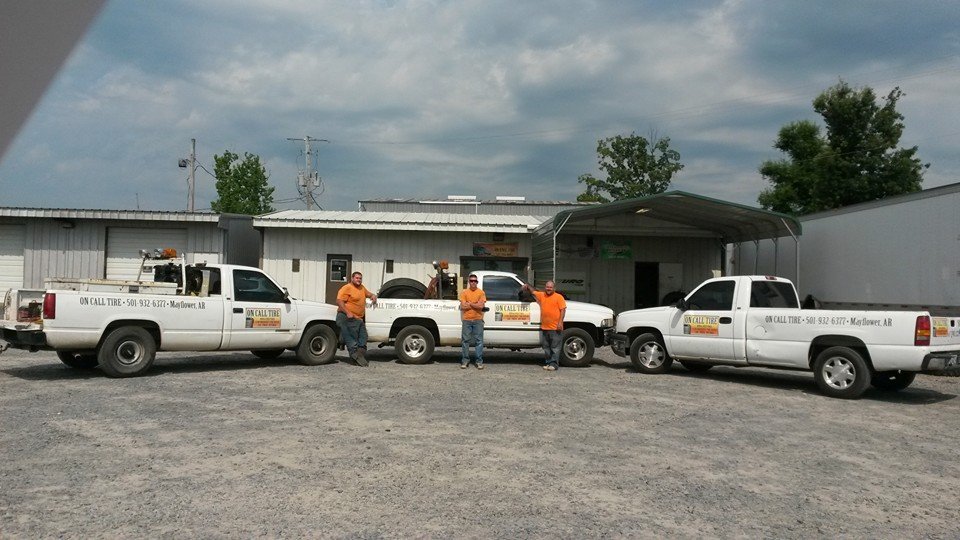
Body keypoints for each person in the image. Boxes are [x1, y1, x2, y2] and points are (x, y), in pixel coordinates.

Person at [523, 280, 566, 371]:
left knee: (555, 347)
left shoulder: (559, 297)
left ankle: (554, 364)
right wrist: (527, 286)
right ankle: (548, 363)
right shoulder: (542, 295)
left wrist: (560, 322)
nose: (548, 289)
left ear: (554, 288)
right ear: (545, 287)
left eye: (550, 287)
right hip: (545, 327)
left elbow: (563, 310)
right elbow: (533, 292)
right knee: (546, 347)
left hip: (555, 327)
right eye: (547, 287)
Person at [336, 271, 377, 366]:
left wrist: (373, 296)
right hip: (347, 317)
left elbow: (369, 294)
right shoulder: (347, 288)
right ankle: (355, 357)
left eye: (360, 278)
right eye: (357, 278)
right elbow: (339, 301)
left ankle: (359, 355)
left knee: (363, 337)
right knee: (352, 339)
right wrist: (348, 312)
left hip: (358, 318)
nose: (359, 280)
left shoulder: (362, 288)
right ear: (352, 278)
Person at [459, 273, 486, 369]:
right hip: (466, 320)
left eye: (475, 281)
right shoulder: (464, 293)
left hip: (478, 319)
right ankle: (465, 361)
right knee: (465, 341)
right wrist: (475, 304)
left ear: (477, 282)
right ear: (469, 282)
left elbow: (481, 306)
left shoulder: (481, 293)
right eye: (471, 281)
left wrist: (470, 304)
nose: (473, 282)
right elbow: (462, 306)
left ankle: (479, 361)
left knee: (479, 341)